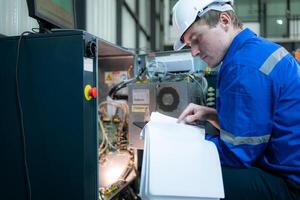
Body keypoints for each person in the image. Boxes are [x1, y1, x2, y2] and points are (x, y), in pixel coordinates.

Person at [173, 0, 300, 199]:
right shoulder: (254, 51)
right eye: (190, 45)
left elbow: (237, 155)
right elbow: (258, 124)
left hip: (290, 185)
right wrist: (212, 115)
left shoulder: (243, 66)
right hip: (287, 167)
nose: (194, 52)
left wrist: (183, 145)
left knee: (185, 178)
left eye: (197, 39)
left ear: (224, 20)